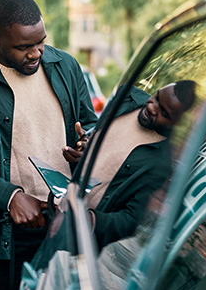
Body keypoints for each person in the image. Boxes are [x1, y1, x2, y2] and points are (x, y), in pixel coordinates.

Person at [0, 0, 97, 289]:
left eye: (40, 42)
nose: (36, 53)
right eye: (24, 46)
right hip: (11, 232)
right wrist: (11, 197)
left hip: (68, 219)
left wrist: (88, 146)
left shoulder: (66, 65)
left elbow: (89, 123)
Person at [63, 80, 196, 249]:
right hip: (57, 206)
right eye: (156, 97)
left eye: (163, 112)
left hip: (79, 240)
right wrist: (82, 154)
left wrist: (90, 220)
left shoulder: (162, 163)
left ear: (177, 123)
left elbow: (132, 220)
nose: (151, 107)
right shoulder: (127, 96)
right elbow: (96, 139)